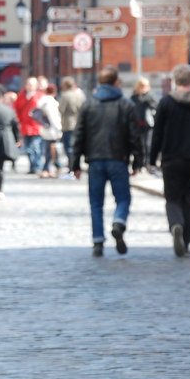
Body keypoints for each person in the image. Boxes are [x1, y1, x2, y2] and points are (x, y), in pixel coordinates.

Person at [72, 66, 143, 257]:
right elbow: (134, 136)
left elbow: (79, 135)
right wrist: (137, 161)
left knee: (96, 202)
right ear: (116, 82)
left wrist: (75, 164)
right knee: (123, 198)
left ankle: (97, 241)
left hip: (94, 160)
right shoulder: (126, 104)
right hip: (118, 159)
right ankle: (118, 222)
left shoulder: (89, 105)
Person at [149, 64, 190, 257]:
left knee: (172, 198)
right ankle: (185, 243)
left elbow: (157, 134)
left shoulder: (166, 103)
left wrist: (152, 159)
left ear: (175, 80)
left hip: (171, 158)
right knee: (188, 199)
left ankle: (176, 224)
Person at [14, 77, 43, 174]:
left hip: (36, 126)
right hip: (25, 126)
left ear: (35, 86)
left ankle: (37, 166)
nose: (29, 86)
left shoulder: (40, 95)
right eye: (28, 84)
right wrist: (19, 120)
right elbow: (17, 108)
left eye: (31, 84)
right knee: (28, 149)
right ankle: (32, 166)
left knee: (36, 147)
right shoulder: (21, 95)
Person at [58, 77, 85, 178]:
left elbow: (61, 109)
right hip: (78, 123)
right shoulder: (79, 95)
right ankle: (75, 167)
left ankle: (72, 168)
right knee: (75, 147)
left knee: (68, 147)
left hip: (68, 124)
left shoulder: (65, 95)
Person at [131, 76, 158, 173]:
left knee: (148, 144)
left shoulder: (150, 97)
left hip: (148, 124)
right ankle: (139, 163)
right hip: (136, 124)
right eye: (142, 86)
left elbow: (156, 106)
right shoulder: (134, 97)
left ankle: (148, 163)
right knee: (139, 145)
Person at [36, 84, 63, 178]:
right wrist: (59, 129)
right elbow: (53, 117)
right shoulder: (50, 102)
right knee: (51, 150)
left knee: (48, 149)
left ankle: (50, 168)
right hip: (52, 130)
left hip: (45, 128)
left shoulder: (42, 101)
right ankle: (47, 168)